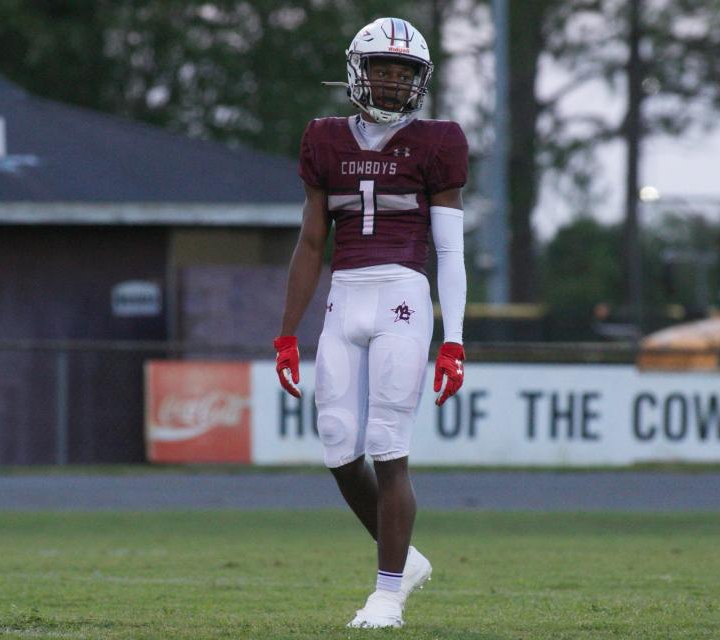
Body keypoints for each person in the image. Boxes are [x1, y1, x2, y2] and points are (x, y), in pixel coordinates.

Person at [273, 16, 467, 630]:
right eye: (381, 68)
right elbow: (310, 242)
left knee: (388, 444)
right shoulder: (323, 138)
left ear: (419, 81)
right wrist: (285, 332)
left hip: (403, 295)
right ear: (358, 72)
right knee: (336, 443)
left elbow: (452, 251)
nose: (389, 81)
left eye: (402, 71)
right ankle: (404, 560)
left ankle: (387, 594)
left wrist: (454, 338)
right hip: (344, 297)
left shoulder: (438, 141)